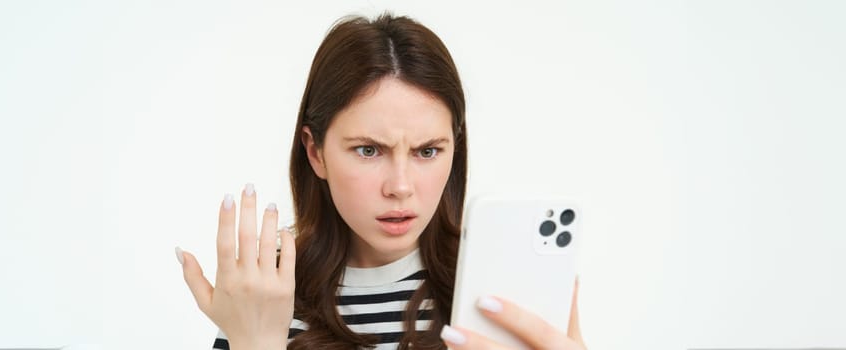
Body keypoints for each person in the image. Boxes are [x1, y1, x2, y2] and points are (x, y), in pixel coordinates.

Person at [175, 12, 587, 350]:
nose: (401, 186)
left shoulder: (500, 286)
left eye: (428, 151)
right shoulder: (265, 296)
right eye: (369, 150)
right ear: (315, 152)